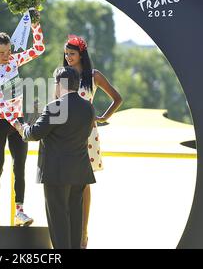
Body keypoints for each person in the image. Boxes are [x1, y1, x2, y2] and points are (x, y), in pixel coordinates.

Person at [16, 66, 95, 249]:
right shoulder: (88, 107)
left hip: (56, 172)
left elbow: (34, 134)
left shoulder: (55, 107)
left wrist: (22, 128)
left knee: (58, 222)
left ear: (60, 84)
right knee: (76, 219)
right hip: (80, 171)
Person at [0, 12, 45, 226]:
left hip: (17, 119)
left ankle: (20, 212)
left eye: (8, 51)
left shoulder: (14, 60)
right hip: (0, 121)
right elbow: (0, 103)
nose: (7, 55)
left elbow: (39, 49)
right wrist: (18, 124)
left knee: (20, 166)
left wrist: (36, 26)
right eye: (1, 53)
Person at [63, 35, 122, 248]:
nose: (68, 57)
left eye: (72, 53)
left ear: (81, 54)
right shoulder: (62, 76)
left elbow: (117, 98)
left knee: (84, 183)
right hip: (66, 134)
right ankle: (69, 232)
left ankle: (83, 233)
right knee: (67, 182)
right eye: (66, 53)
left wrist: (103, 117)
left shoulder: (93, 75)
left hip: (87, 134)